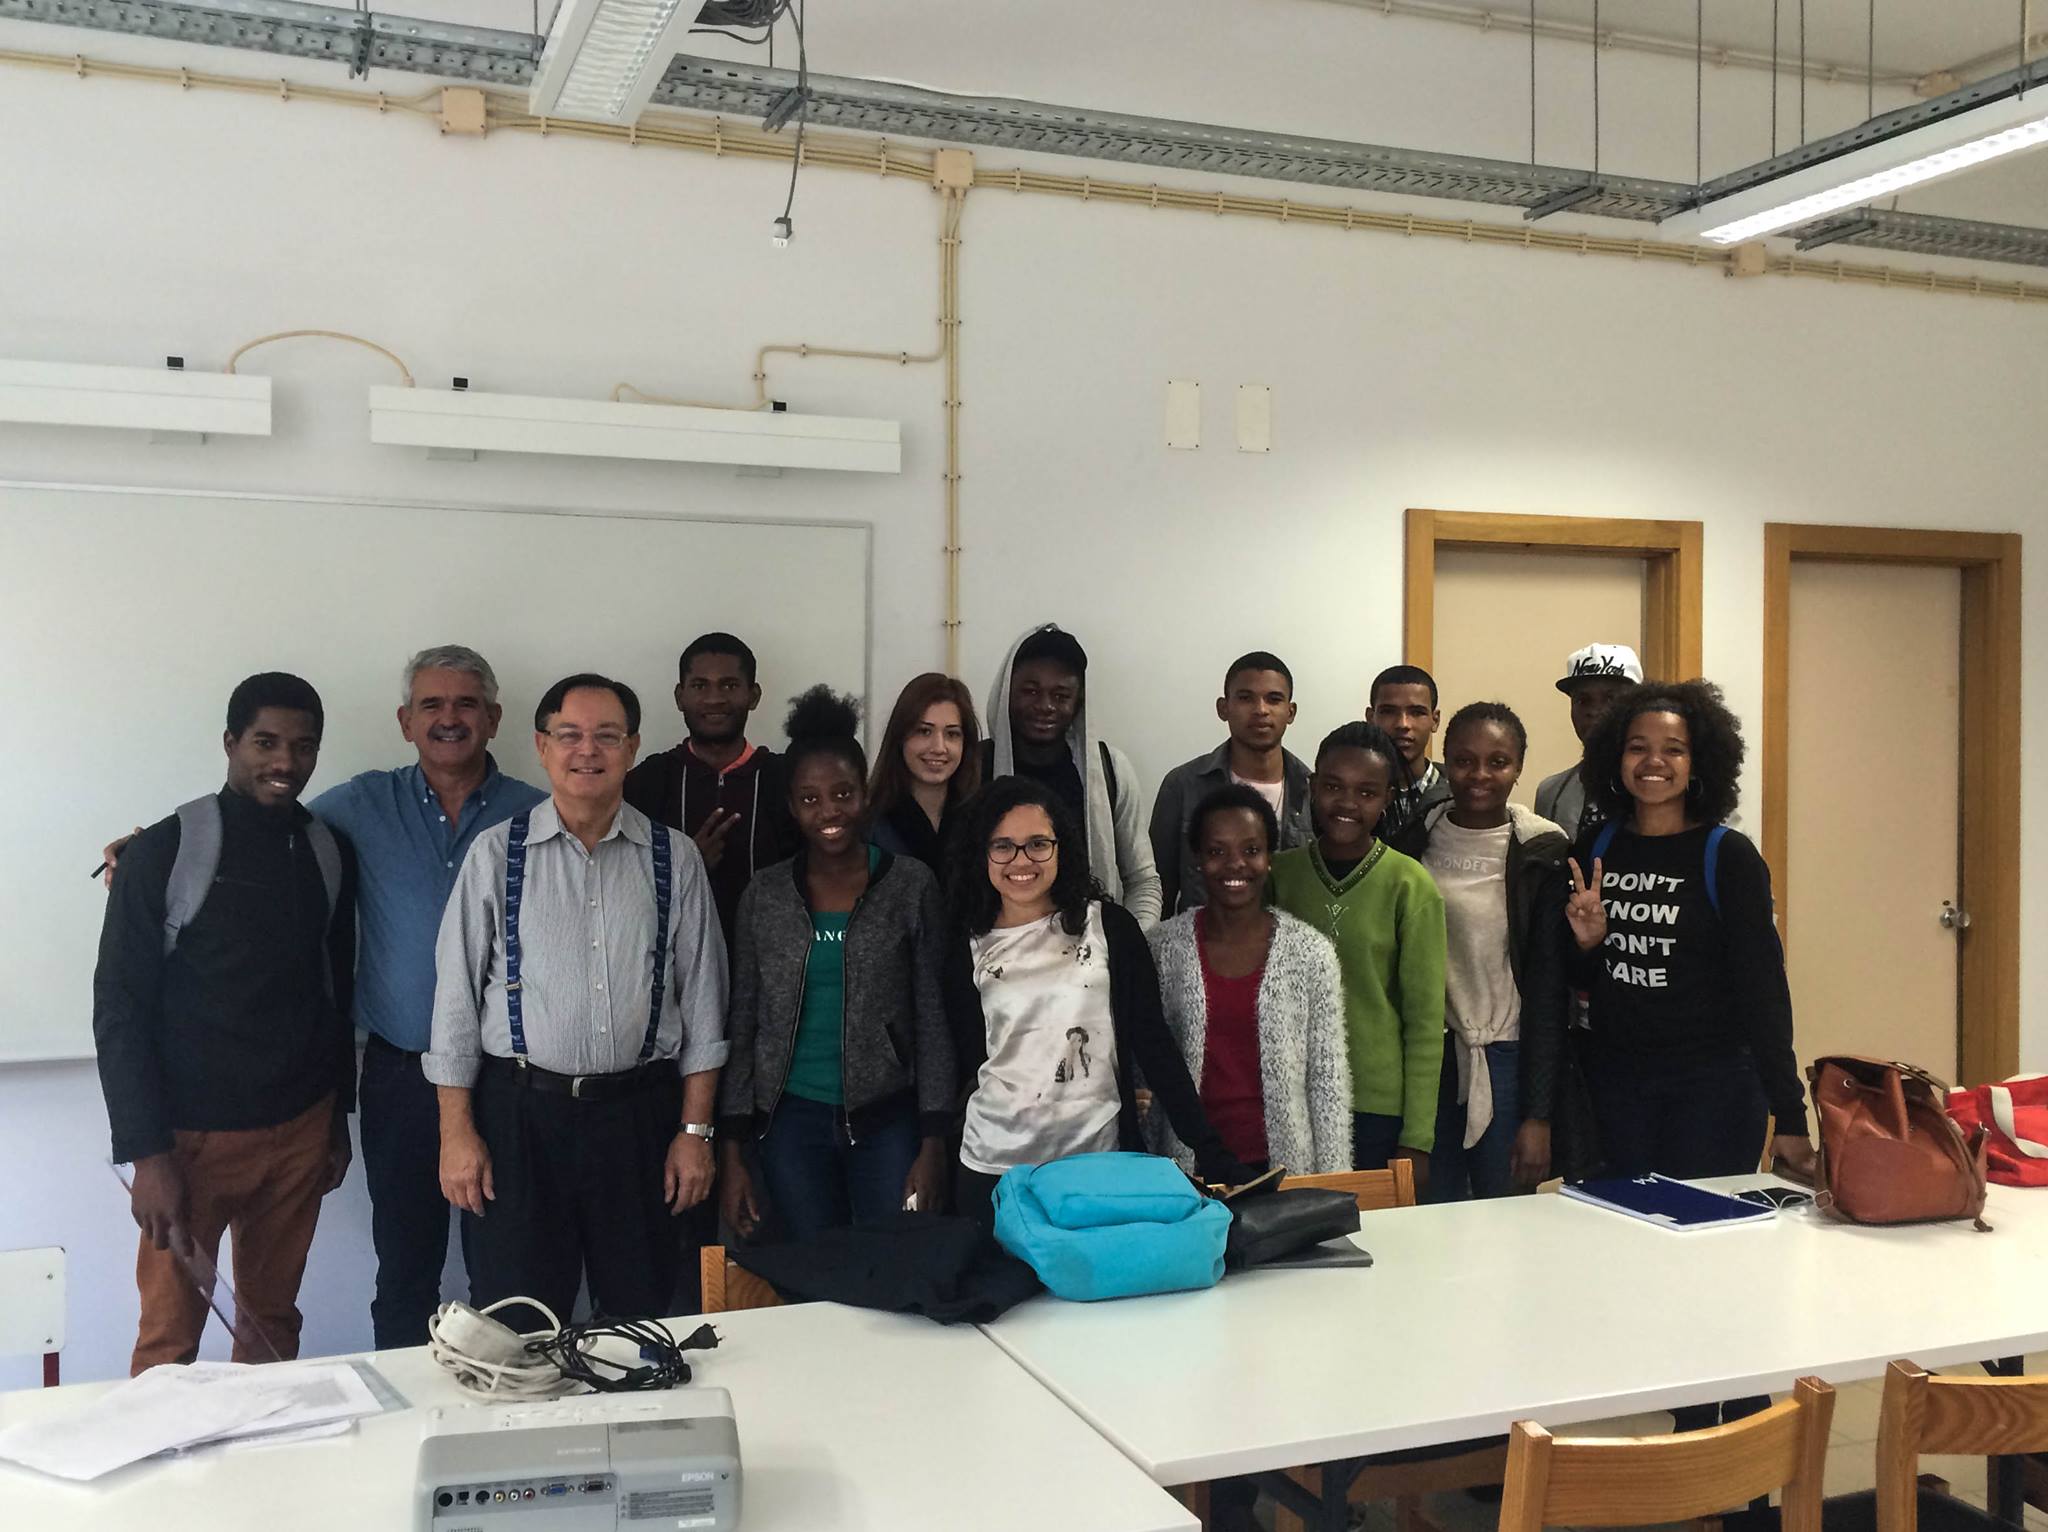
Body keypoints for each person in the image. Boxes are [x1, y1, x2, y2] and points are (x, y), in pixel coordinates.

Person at [428, 673, 728, 1324]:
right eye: (569, 734)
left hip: (639, 1121)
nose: (586, 750)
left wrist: (694, 1134)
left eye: (606, 736)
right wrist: (458, 1134)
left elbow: (704, 1008)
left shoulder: (673, 859)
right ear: (541, 746)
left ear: (632, 747)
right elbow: (453, 1009)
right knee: (518, 1323)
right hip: (518, 1120)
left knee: (640, 1317)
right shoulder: (494, 856)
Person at [93, 673, 358, 1373]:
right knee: (169, 1341)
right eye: (265, 743)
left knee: (271, 1327)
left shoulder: (329, 851)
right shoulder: (163, 853)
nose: (284, 762)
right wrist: (148, 1156)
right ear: (230, 743)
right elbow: (119, 1009)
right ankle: (159, 1482)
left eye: (303, 747)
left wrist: (338, 1121)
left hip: (300, 1130)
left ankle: (262, 1479)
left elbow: (337, 992)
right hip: (189, 1143)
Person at [944, 776, 1252, 1225]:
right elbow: (970, 1057)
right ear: (982, 853)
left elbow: (1154, 1045)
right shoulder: (965, 944)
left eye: (1037, 844)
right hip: (995, 1168)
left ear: (1061, 847)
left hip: (1098, 1161)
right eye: (1003, 846)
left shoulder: (1109, 927)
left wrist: (1212, 1152)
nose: (1021, 860)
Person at [719, 687, 954, 1243]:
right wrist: (731, 1151)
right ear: (792, 806)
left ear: (865, 794)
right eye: (810, 799)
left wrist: (935, 1139)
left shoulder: (910, 885)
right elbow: (743, 1022)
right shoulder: (765, 895)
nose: (829, 812)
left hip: (888, 1121)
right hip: (790, 1124)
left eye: (843, 793)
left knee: (896, 1271)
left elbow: (932, 1016)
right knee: (812, 1277)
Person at [1562, 680, 1816, 1183]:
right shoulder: (1597, 845)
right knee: (1618, 1239)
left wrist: (1789, 1112)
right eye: (1638, 748)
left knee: (1704, 1243)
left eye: (1673, 750)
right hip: (1615, 1085)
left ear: (1698, 762)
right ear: (1615, 756)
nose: (1653, 761)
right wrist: (1587, 943)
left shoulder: (1729, 857)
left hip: (1713, 1089)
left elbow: (1764, 991)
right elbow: (1579, 976)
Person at [1389, 703, 1570, 1200]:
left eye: (1498, 762)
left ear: (1518, 768)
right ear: (1445, 759)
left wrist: (1538, 1115)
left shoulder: (1543, 850)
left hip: (1508, 1058)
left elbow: (1550, 988)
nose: (1480, 775)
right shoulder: (1414, 839)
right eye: (1465, 760)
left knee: (1504, 1215)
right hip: (1432, 1058)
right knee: (1431, 1212)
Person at [1268, 721, 1446, 1184]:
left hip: (1376, 1109)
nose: (1347, 804)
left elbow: (1426, 1022)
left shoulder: (1410, 884)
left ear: (1387, 798)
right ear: (1311, 787)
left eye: (1366, 792)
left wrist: (1417, 1138)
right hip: (1289, 1099)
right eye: (1333, 787)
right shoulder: (1278, 876)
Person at [1148, 784, 1352, 1176]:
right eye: (1217, 851)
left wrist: (1332, 1184)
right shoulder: (1161, 949)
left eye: (1251, 850)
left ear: (1270, 858)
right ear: (1197, 859)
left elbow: (1327, 1083)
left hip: (1282, 1167)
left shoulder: (1311, 953)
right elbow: (1148, 1079)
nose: (1235, 864)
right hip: (1185, 1167)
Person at [980, 623, 1162, 926]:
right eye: (1031, 691)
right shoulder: (974, 768)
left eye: (1061, 695)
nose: (1045, 706)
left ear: (1078, 702)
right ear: (1006, 694)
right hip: (993, 959)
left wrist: (1128, 949)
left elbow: (1143, 880)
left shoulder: (1110, 770)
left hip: (1093, 959)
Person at [624, 632, 796, 941]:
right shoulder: (647, 782)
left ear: (753, 695)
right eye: (700, 686)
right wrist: (687, 863)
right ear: (680, 696)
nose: (715, 698)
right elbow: (619, 886)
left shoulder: (786, 779)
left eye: (729, 685)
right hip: (673, 966)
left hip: (771, 962)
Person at [1148, 651, 1315, 918]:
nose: (1261, 710)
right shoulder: (1183, 785)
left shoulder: (1312, 790)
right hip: (1197, 948)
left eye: (1273, 699)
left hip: (1290, 951)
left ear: (1290, 711)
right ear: (1223, 708)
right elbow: (1157, 887)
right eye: (1246, 698)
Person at [866, 671, 982, 871]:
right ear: (900, 737)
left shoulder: (982, 819)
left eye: (952, 734)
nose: (938, 747)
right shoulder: (869, 826)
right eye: (924, 731)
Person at [1533, 644, 1643, 840]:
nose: (1594, 711)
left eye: (1610, 698)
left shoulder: (1667, 784)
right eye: (1583, 700)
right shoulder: (1550, 793)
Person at [1370, 665, 1450, 840]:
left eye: (1416, 712)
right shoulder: (1353, 794)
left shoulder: (1458, 796)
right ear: (1371, 718)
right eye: (1389, 711)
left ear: (1435, 720)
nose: (1403, 724)